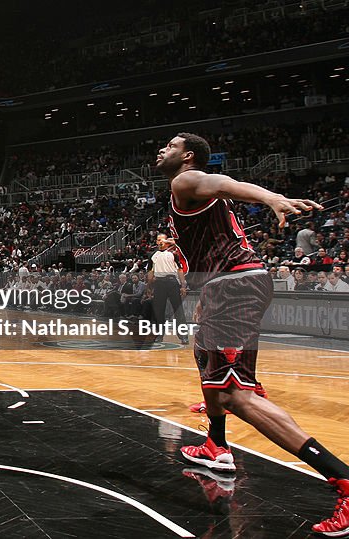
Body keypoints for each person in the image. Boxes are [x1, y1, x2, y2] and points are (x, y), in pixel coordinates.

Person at [156, 132, 348, 535]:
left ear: (187, 156)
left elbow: (226, 183)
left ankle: (342, 480)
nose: (162, 150)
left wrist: (270, 198)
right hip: (226, 286)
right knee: (204, 359)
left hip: (235, 285)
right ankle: (216, 444)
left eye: (171, 146)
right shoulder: (185, 192)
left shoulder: (186, 181)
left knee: (235, 395)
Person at [147, 233, 189, 344]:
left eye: (162, 240)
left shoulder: (174, 254)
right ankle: (159, 335)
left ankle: (183, 336)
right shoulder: (152, 255)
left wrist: (183, 286)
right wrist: (149, 286)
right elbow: (150, 272)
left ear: (166, 241)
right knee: (159, 311)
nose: (160, 241)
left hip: (172, 282)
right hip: (159, 283)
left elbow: (180, 270)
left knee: (178, 310)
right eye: (158, 240)